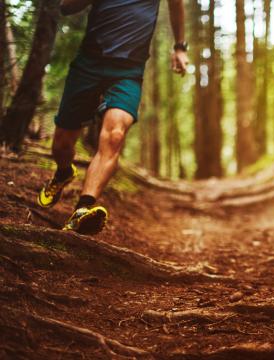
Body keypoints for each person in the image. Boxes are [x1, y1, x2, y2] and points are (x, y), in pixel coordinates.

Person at [37, 0, 189, 235]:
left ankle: (83, 209)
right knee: (62, 145)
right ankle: (64, 172)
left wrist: (180, 47)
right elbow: (66, 7)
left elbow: (176, 4)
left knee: (115, 135)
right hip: (89, 64)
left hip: (128, 71)